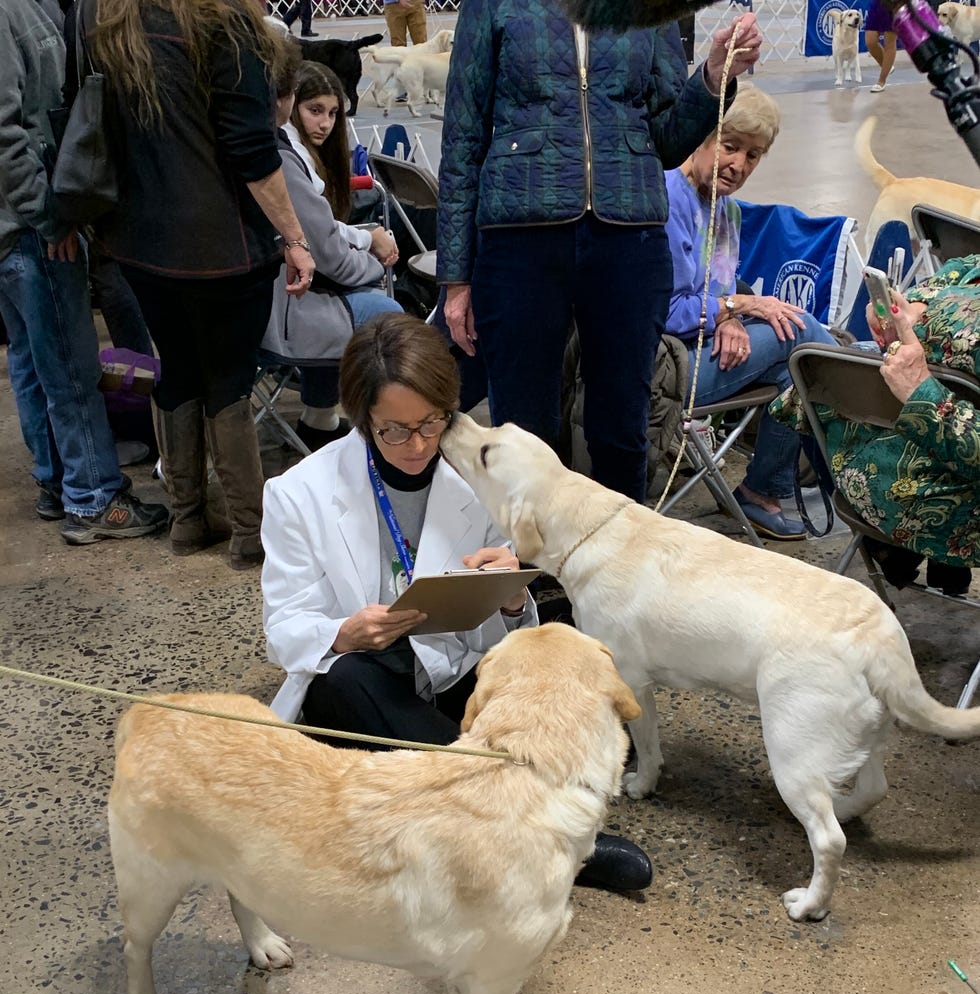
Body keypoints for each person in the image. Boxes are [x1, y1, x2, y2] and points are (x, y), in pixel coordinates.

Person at [261, 314, 653, 893]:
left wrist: (515, 599)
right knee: (342, 683)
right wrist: (343, 633)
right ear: (361, 416)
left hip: (453, 672)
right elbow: (284, 629)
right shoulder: (298, 493)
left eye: (430, 423)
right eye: (394, 430)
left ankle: (472, 816)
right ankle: (552, 833)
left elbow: (502, 639)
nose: (418, 445)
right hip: (370, 679)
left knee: (564, 649)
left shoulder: (478, 480)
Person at [437, 4, 763, 504]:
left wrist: (715, 75)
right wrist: (456, 277)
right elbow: (462, 139)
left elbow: (671, 141)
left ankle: (618, 567)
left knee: (622, 428)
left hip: (630, 240)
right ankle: (529, 572)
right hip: (518, 239)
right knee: (523, 431)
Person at [88, 0, 316, 568]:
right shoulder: (225, 25)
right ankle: (249, 531)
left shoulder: (108, 18)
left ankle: (188, 519)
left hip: (138, 242)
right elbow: (252, 150)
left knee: (179, 373)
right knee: (229, 384)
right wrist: (295, 237)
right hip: (223, 247)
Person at [0, 0, 167, 543]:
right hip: (31, 230)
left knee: (33, 358)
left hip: (22, 227)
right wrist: (50, 219)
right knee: (70, 368)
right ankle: (92, 496)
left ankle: (57, 480)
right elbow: (6, 137)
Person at [664, 85, 839, 540]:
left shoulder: (729, 211)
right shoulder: (667, 200)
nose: (739, 164)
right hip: (664, 367)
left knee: (794, 372)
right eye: (729, 145)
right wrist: (737, 306)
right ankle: (850, 463)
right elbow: (664, 312)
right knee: (799, 334)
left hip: (704, 352)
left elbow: (716, 295)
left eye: (753, 155)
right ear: (701, 137)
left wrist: (733, 318)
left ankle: (762, 492)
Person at [771, 256, 980, 590]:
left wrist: (922, 393)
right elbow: (938, 282)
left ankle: (891, 550)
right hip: (893, 468)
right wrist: (909, 310)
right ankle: (894, 551)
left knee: (813, 381)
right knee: (815, 379)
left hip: (946, 498)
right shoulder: (971, 265)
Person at [263, 61, 400, 450]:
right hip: (284, 308)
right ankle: (391, 430)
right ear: (288, 102)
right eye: (315, 110)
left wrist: (366, 239)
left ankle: (320, 417)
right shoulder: (286, 160)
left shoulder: (286, 153)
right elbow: (331, 259)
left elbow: (326, 238)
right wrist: (375, 261)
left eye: (333, 113)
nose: (325, 123)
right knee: (387, 315)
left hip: (279, 296)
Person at [865, 0, 898, 94]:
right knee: (870, 41)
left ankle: (881, 81)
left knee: (890, 42)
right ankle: (887, 65)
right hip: (877, 4)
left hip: (895, 4)